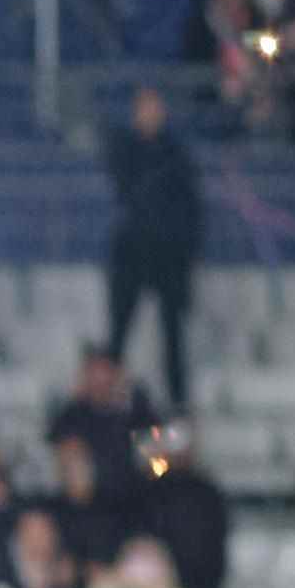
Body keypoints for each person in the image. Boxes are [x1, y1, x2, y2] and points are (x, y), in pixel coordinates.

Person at [100, 84, 200, 409]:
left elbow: (189, 206)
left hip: (167, 254)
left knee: (172, 334)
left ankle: (178, 402)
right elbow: (125, 188)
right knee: (119, 330)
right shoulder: (126, 149)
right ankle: (104, 397)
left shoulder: (175, 153)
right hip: (132, 251)